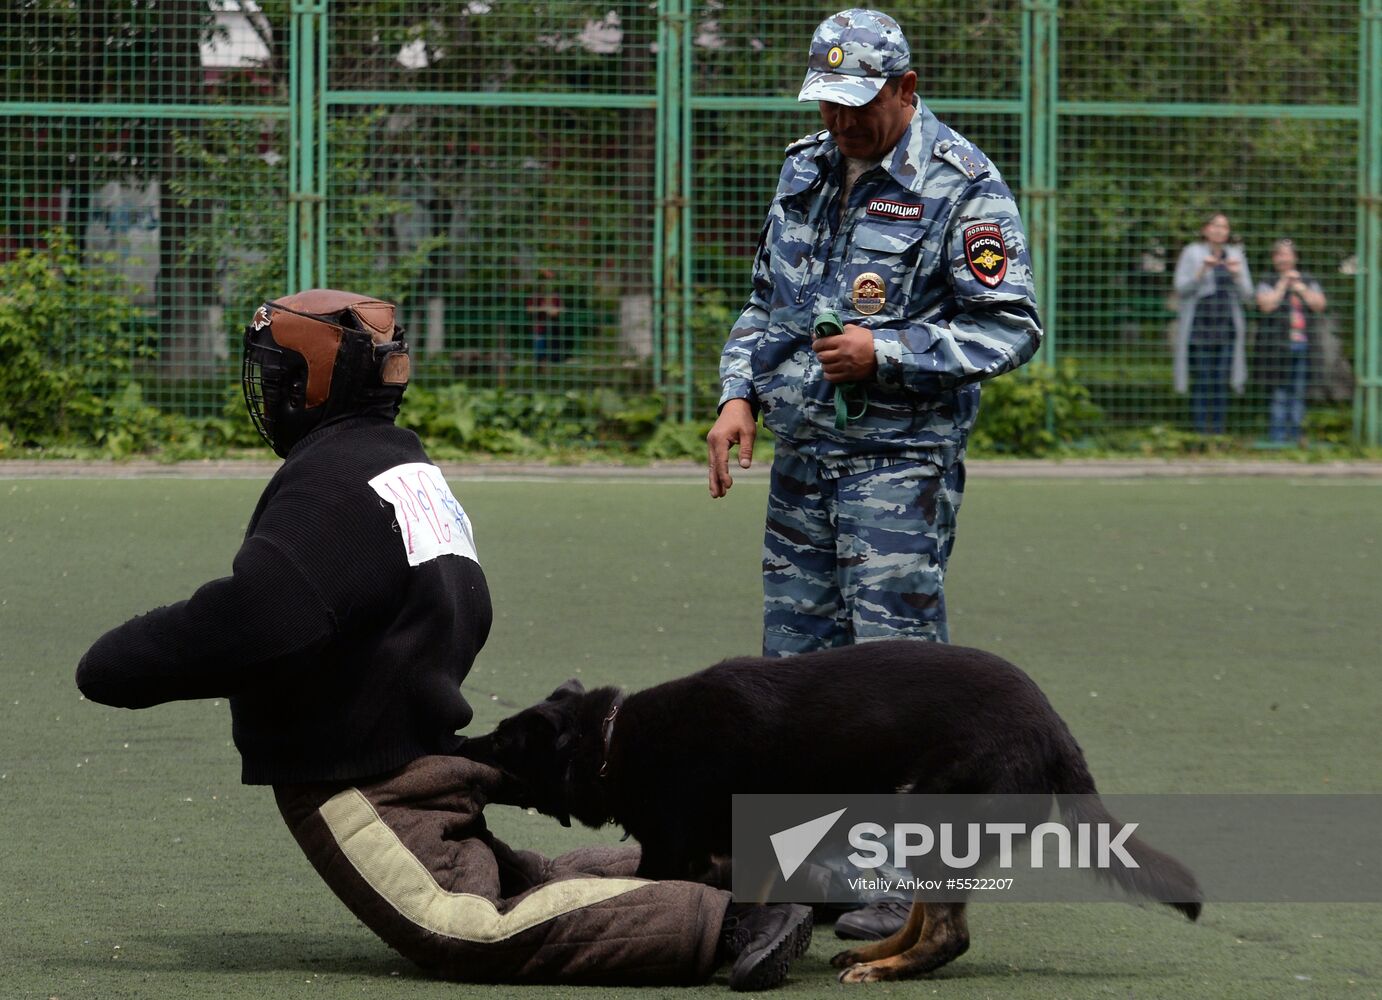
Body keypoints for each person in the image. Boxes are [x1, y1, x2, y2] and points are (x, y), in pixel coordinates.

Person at [75, 289, 811, 991]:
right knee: (538, 879)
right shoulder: (406, 466)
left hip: (359, 778)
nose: (269, 396)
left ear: (320, 383)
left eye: (281, 377)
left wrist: (117, 662)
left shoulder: (328, 482)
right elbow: (465, 603)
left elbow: (265, 617)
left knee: (465, 925)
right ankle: (799, 860)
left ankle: (739, 915)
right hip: (427, 750)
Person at [704, 8, 1042, 941]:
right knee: (794, 674)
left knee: (896, 673)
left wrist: (886, 350)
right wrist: (741, 395)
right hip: (806, 461)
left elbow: (1010, 327)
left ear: (906, 90)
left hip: (900, 463)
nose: (840, 123)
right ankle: (809, 872)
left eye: (857, 105)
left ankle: (908, 886)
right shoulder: (804, 166)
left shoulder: (963, 185)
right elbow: (770, 299)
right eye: (828, 104)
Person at [1172, 212, 1254, 434]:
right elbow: (1181, 288)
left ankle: (1217, 432)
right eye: (1215, 226)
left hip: (1227, 329)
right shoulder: (1192, 252)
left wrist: (1237, 275)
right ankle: (1200, 431)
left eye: (1224, 227)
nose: (1220, 230)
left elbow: (1248, 294)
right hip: (1200, 329)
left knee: (1221, 382)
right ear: (1205, 230)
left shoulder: (1236, 254)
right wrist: (1201, 272)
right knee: (1202, 380)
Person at [1255, 238, 1327, 444]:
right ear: (1273, 259)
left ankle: (1296, 436)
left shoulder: (1307, 280)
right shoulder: (1268, 280)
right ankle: (1277, 438)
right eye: (1279, 254)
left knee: (1298, 392)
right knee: (1279, 392)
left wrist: (1300, 288)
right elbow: (1266, 306)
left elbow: (1319, 305)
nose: (1283, 258)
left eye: (1287, 254)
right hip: (1276, 348)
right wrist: (1282, 284)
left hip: (1303, 346)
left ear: (1295, 257)